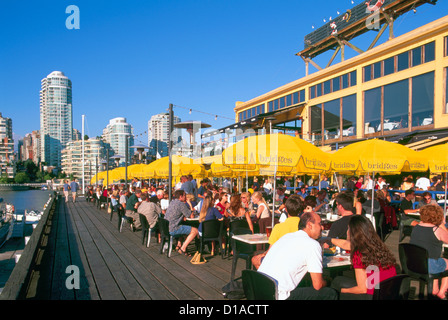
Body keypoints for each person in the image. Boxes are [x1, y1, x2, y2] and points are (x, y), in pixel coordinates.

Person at [258, 212, 338, 300]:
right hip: (279, 295)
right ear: (309, 225)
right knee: (330, 293)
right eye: (320, 224)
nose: (322, 227)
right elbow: (317, 285)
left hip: (260, 289)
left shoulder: (286, 237)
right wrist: (327, 281)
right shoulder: (312, 245)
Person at [331, 215, 397, 299]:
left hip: (372, 295)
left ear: (353, 232)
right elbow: (347, 244)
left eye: (348, 229)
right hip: (387, 291)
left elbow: (362, 289)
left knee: (335, 285)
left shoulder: (358, 254)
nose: (347, 231)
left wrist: (342, 290)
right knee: (338, 280)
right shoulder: (378, 246)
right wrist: (329, 239)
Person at [251, 195, 303, 269]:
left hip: (282, 260)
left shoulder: (278, 227)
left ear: (286, 209)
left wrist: (263, 254)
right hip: (299, 260)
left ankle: (267, 278)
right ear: (300, 210)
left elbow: (270, 250)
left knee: (254, 259)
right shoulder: (305, 227)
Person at [410, 204, 448, 299]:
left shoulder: (416, 228)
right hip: (429, 265)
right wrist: (442, 224)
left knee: (435, 259)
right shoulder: (436, 230)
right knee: (445, 262)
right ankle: (442, 292)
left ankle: (434, 289)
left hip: (414, 263)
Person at [164, 189, 199, 256]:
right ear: (181, 196)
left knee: (185, 225)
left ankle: (179, 245)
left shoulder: (172, 202)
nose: (186, 197)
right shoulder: (181, 204)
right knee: (195, 231)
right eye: (184, 195)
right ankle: (183, 248)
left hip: (167, 227)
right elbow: (191, 216)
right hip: (173, 228)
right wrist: (189, 204)